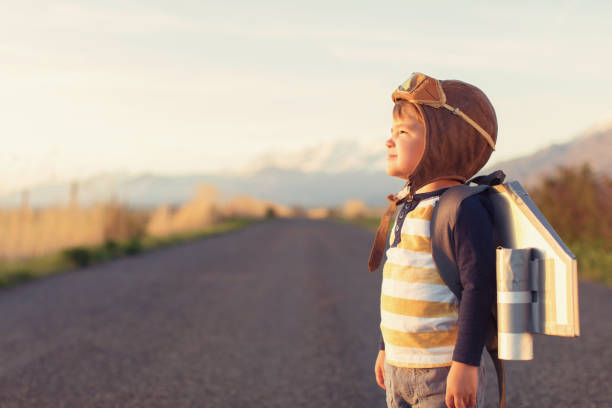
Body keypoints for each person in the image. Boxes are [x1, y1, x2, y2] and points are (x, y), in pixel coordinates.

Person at [368, 73, 498, 408]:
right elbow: (401, 285)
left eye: (403, 132)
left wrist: (466, 363)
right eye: (392, 132)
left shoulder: (460, 207)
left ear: (442, 141)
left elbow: (478, 288)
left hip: (443, 372)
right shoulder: (406, 205)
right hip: (399, 368)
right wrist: (386, 349)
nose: (389, 141)